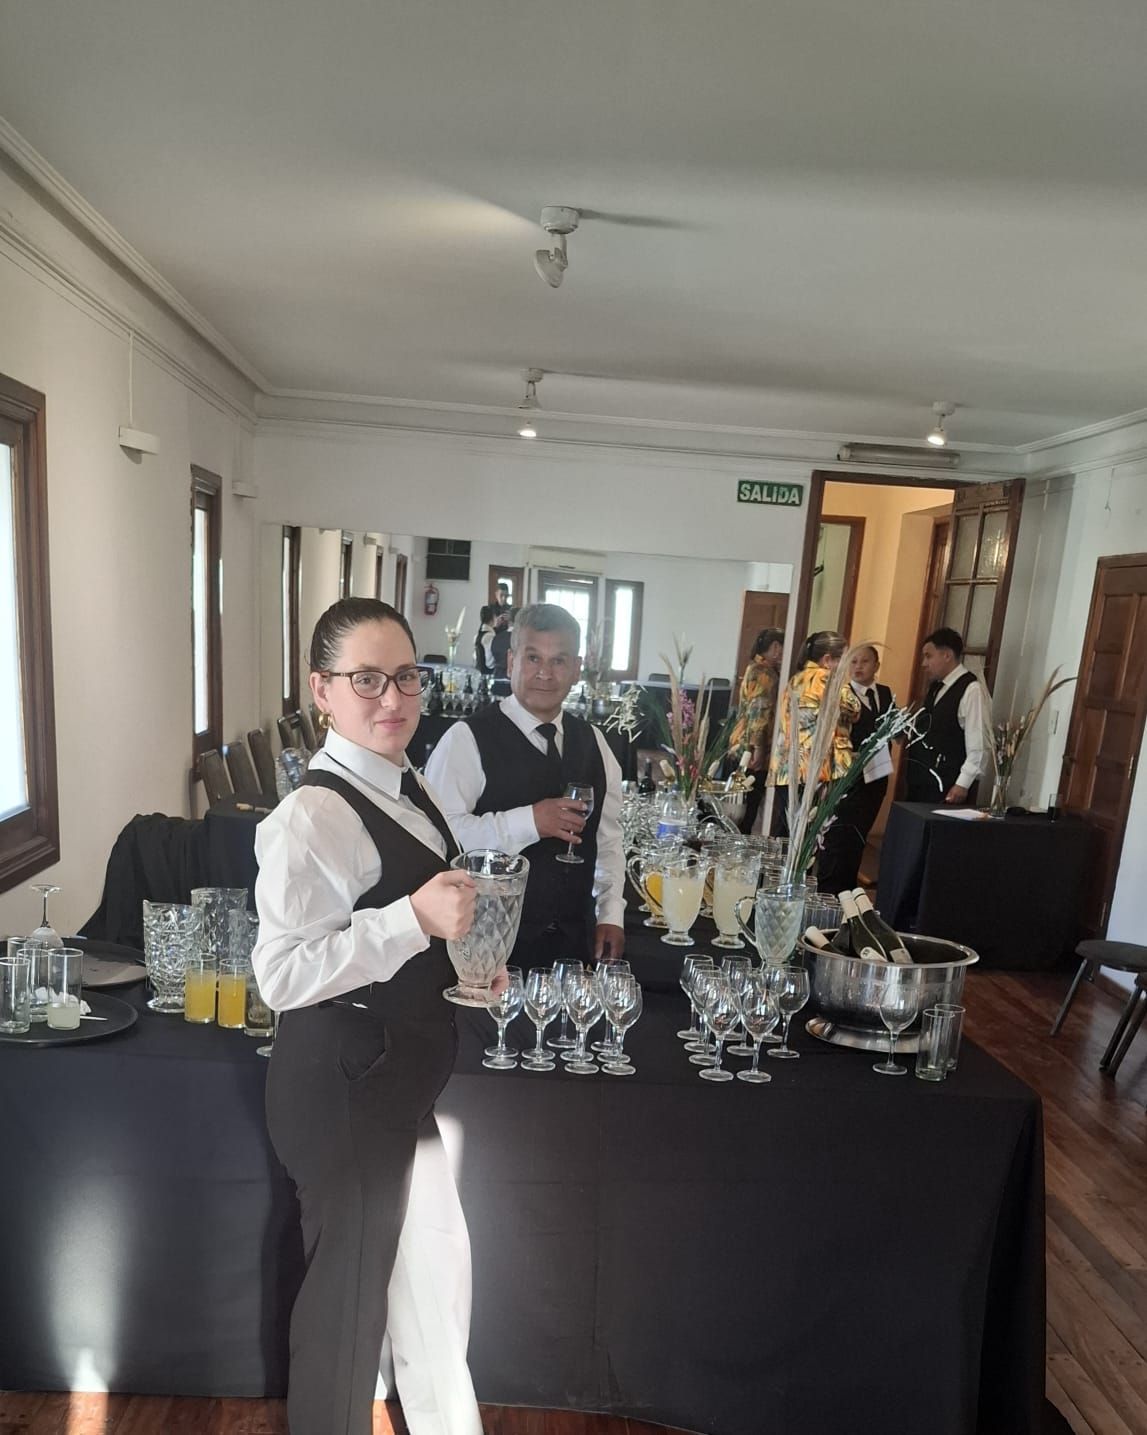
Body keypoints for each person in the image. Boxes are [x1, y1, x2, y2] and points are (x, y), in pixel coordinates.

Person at [252, 597, 484, 1435]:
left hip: (390, 1083)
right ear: (322, 690)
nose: (393, 698)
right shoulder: (310, 815)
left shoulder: (400, 779)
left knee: (433, 1283)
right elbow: (280, 973)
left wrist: (458, 961)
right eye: (366, 679)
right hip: (341, 1089)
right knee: (346, 1322)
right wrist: (412, 922)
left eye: (407, 677)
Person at [426, 602, 625, 966]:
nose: (545, 674)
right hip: (487, 947)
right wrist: (529, 821)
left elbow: (608, 841)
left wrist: (611, 914)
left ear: (576, 669)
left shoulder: (594, 741)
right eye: (533, 658)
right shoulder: (466, 739)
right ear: (511, 662)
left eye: (559, 660)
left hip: (573, 949)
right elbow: (441, 837)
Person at [815, 643, 895, 893]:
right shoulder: (842, 693)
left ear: (876, 666)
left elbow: (892, 728)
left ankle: (849, 893)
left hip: (877, 775)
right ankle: (829, 891)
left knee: (859, 835)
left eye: (865, 662)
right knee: (839, 835)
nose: (859, 667)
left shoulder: (885, 692)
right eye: (854, 662)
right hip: (847, 776)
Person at [768, 630, 861, 841]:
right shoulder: (829, 679)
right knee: (808, 838)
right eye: (845, 660)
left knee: (785, 831)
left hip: (787, 767)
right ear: (828, 660)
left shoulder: (795, 679)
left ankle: (771, 873)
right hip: (815, 770)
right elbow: (854, 709)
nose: (848, 667)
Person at [905, 626, 990, 805]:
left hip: (948, 784)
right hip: (922, 782)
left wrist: (963, 783)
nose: (924, 664)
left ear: (947, 655)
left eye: (929, 656)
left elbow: (979, 744)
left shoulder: (971, 689)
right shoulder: (937, 687)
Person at [727, 626, 784, 834]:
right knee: (745, 808)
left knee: (741, 804)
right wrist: (759, 747)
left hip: (743, 744)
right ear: (776, 647)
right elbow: (759, 712)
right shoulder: (764, 674)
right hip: (750, 749)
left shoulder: (756, 668)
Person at [474, 604, 495, 674]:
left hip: (478, 672)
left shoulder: (477, 635)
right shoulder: (490, 636)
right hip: (487, 674)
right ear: (493, 618)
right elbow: (490, 662)